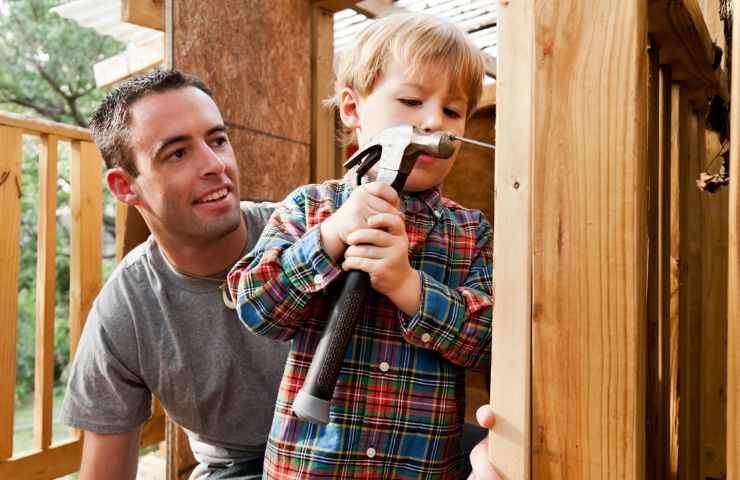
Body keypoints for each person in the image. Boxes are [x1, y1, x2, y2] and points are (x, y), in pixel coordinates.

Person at [228, 12, 493, 479]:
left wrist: (409, 287)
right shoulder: (309, 208)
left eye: (452, 112)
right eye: (412, 100)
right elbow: (256, 308)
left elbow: (491, 343)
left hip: (423, 469)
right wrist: (330, 237)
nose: (434, 120)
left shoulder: (471, 232)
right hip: (309, 466)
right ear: (352, 109)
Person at [60, 69, 289, 480]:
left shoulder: (303, 236)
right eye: (178, 154)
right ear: (125, 187)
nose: (215, 165)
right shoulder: (125, 309)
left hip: (352, 455)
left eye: (218, 140)